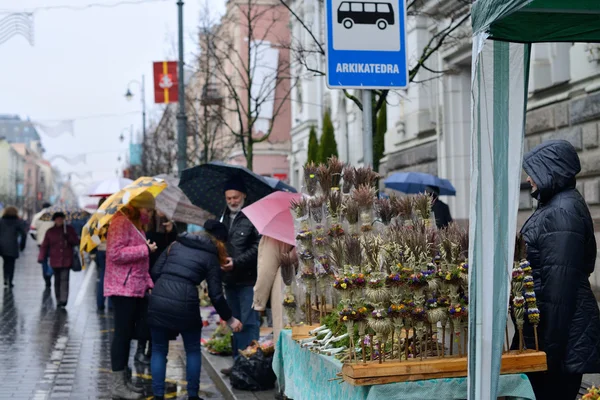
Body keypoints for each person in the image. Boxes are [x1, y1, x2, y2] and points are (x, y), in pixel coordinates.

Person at [515, 139, 600, 400]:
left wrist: (547, 353)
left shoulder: (561, 211)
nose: (529, 179)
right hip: (559, 335)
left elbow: (558, 291)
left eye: (534, 171)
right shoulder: (558, 204)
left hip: (558, 341)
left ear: (550, 170)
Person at [148, 219, 242, 400]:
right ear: (219, 241)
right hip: (186, 302)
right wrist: (230, 319)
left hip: (159, 299)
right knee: (192, 349)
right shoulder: (210, 256)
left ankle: (158, 395)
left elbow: (154, 272)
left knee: (159, 349)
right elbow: (216, 295)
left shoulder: (176, 244)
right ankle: (192, 395)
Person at [104, 192, 157, 400]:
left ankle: (125, 381)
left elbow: (139, 263)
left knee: (129, 335)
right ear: (137, 207)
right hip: (121, 288)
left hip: (135, 287)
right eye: (147, 210)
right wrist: (144, 249)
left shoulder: (137, 224)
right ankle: (118, 384)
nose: (150, 214)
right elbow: (115, 254)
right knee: (122, 335)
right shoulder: (120, 222)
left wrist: (148, 283)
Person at [220, 177, 261, 375]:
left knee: (249, 323)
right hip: (229, 280)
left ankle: (250, 365)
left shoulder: (253, 216)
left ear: (243, 195)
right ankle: (238, 364)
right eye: (229, 198)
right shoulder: (222, 217)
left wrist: (237, 262)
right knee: (234, 323)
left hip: (248, 279)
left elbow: (258, 247)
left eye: (235, 197)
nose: (232, 201)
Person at [134, 210, 177, 365]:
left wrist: (172, 230)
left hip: (162, 276)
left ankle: (153, 350)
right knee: (144, 316)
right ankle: (140, 350)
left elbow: (173, 247)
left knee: (159, 317)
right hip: (145, 275)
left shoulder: (168, 225)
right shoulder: (142, 225)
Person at [252, 236, 297, 343]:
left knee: (287, 332)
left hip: (286, 282)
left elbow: (266, 269)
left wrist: (259, 302)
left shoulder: (276, 233)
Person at [38, 212, 79, 306]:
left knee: (64, 279)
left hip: (66, 259)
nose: (59, 221)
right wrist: (41, 257)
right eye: (57, 219)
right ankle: (58, 298)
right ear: (54, 220)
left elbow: (76, 241)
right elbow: (44, 245)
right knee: (57, 280)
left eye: (61, 219)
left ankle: (63, 300)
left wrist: (68, 237)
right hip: (54, 260)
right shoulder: (50, 231)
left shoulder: (69, 229)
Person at [0, 206, 27, 288]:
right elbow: (24, 234)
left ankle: (5, 278)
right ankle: (10, 280)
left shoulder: (1, 221)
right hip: (12, 245)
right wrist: (22, 246)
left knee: (5, 262)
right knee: (11, 264)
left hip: (2, 246)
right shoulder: (17, 222)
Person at [32, 202, 54, 287]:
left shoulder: (37, 216)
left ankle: (46, 275)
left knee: (43, 259)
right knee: (53, 259)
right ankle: (50, 272)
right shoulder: (53, 216)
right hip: (53, 242)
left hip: (41, 242)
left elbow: (32, 230)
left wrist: (37, 238)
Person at [95, 197, 111, 311]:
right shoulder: (112, 216)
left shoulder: (96, 219)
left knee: (102, 277)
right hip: (110, 250)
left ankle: (100, 303)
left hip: (100, 250)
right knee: (111, 278)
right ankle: (110, 304)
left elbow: (93, 237)